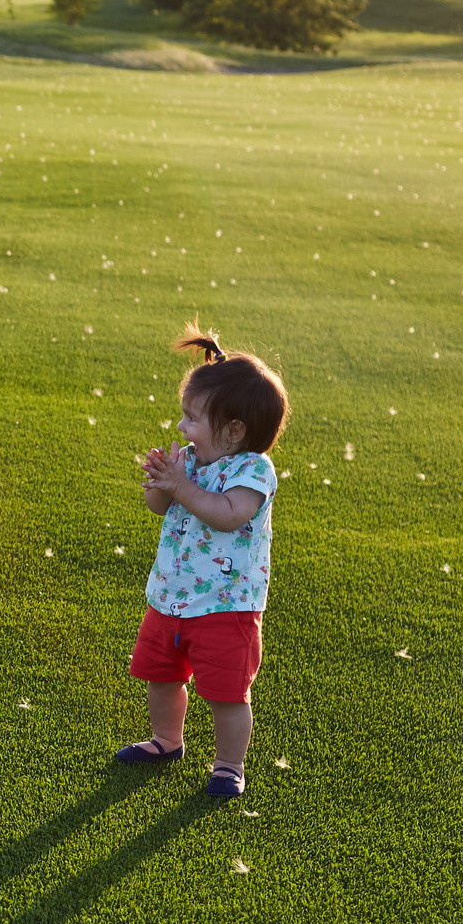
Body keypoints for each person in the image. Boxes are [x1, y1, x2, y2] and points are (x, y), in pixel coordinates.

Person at [115, 324, 291, 798]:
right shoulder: (191, 460)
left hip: (226, 604)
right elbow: (159, 508)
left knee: (226, 692)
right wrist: (160, 482)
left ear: (234, 430)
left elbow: (228, 516)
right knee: (161, 674)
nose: (181, 428)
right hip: (171, 593)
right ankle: (167, 741)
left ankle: (229, 765)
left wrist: (181, 486)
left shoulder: (252, 470)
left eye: (192, 418)